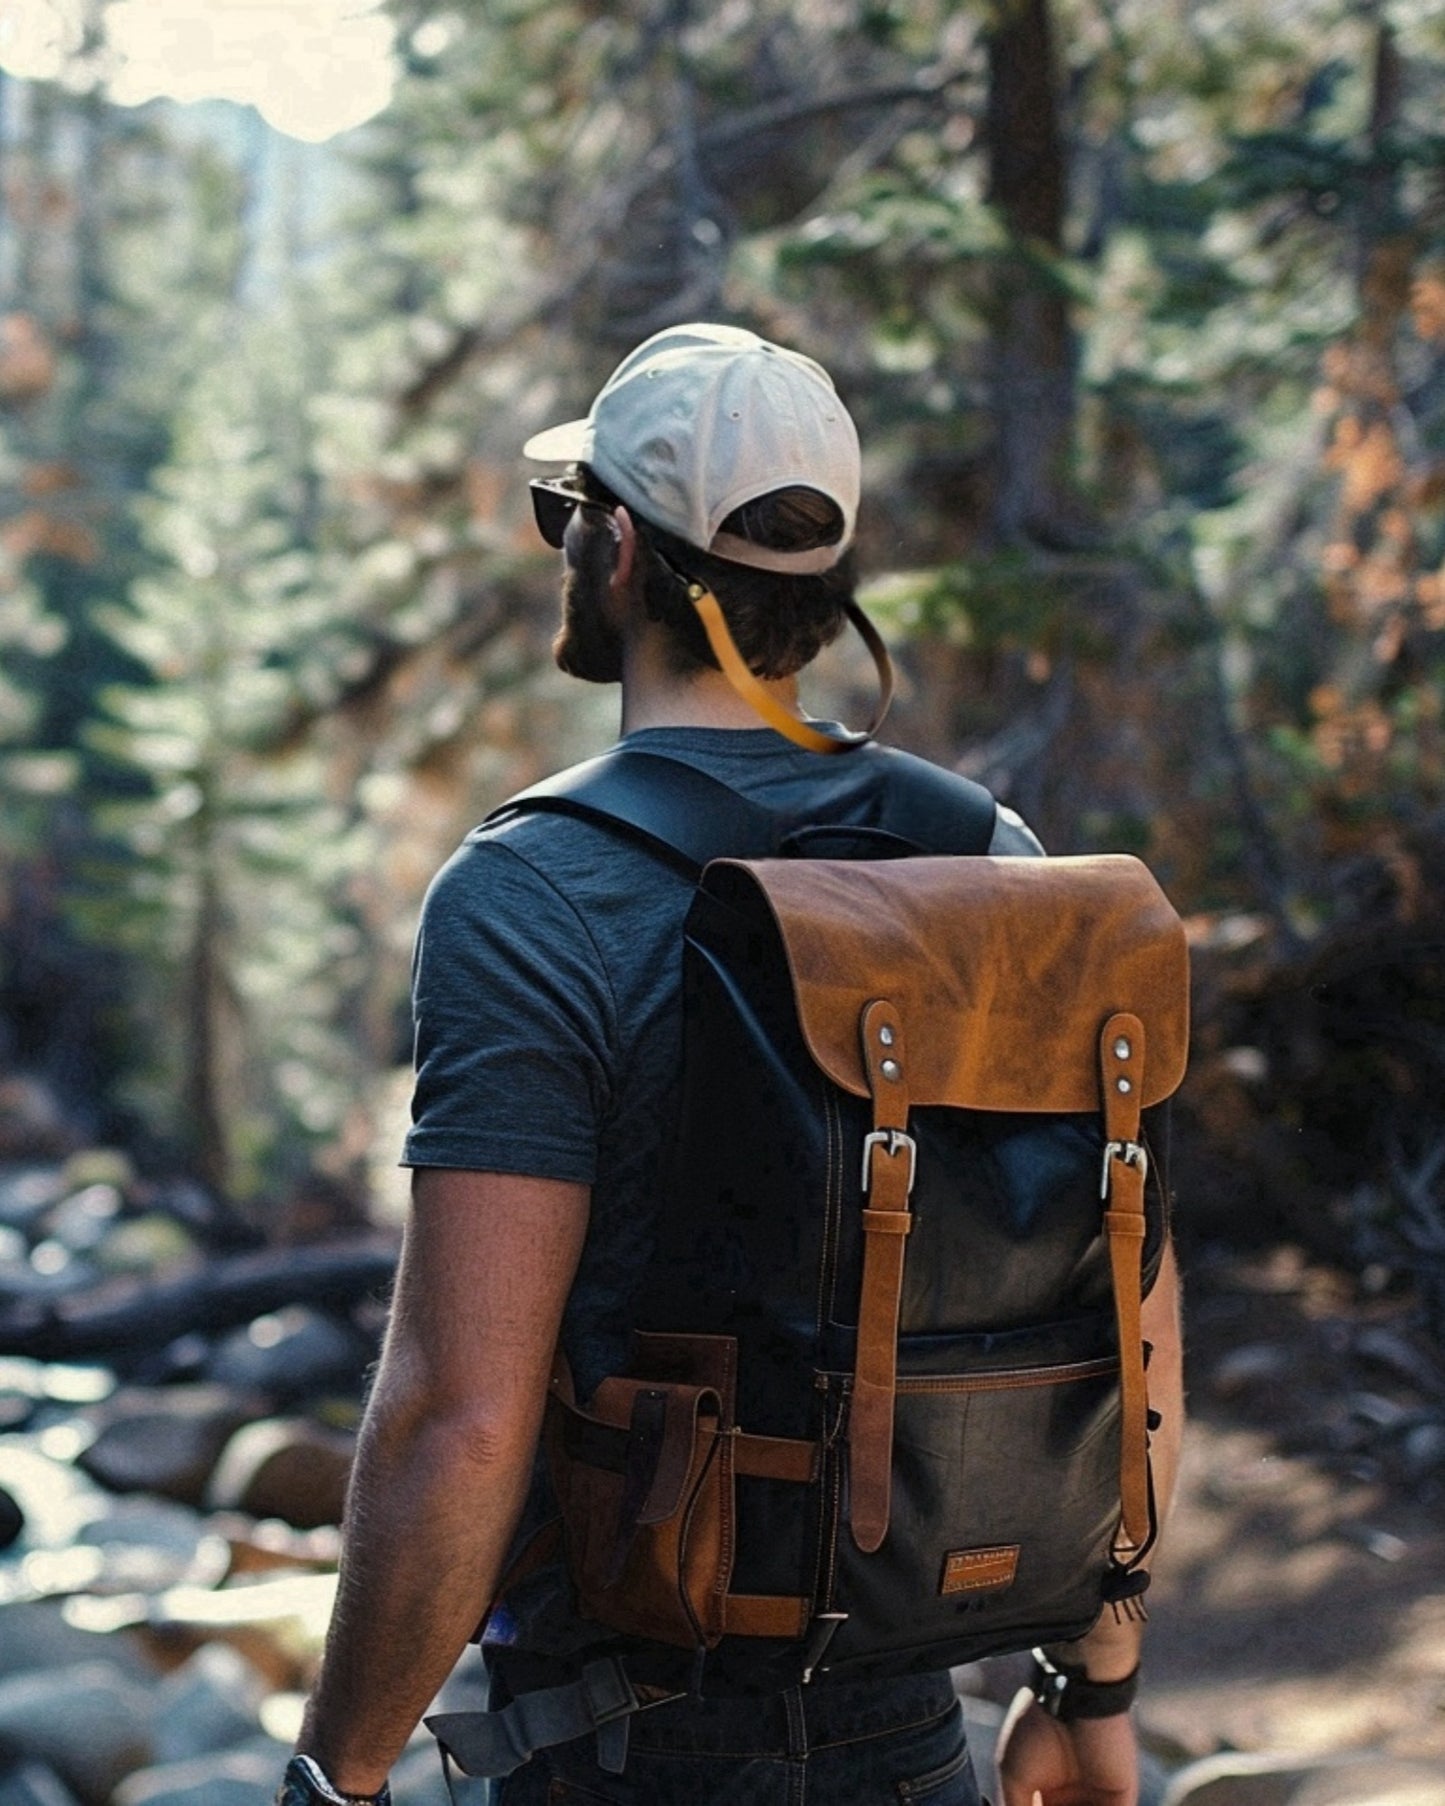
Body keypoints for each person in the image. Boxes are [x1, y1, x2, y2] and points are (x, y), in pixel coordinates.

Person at [281, 323, 1184, 1806]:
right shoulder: (996, 862)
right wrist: (1093, 1684)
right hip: (910, 1736)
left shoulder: (531, 893)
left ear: (618, 551)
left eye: (565, 516)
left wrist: (338, 1772)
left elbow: (460, 1411)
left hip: (618, 1752)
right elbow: (1122, 1321)